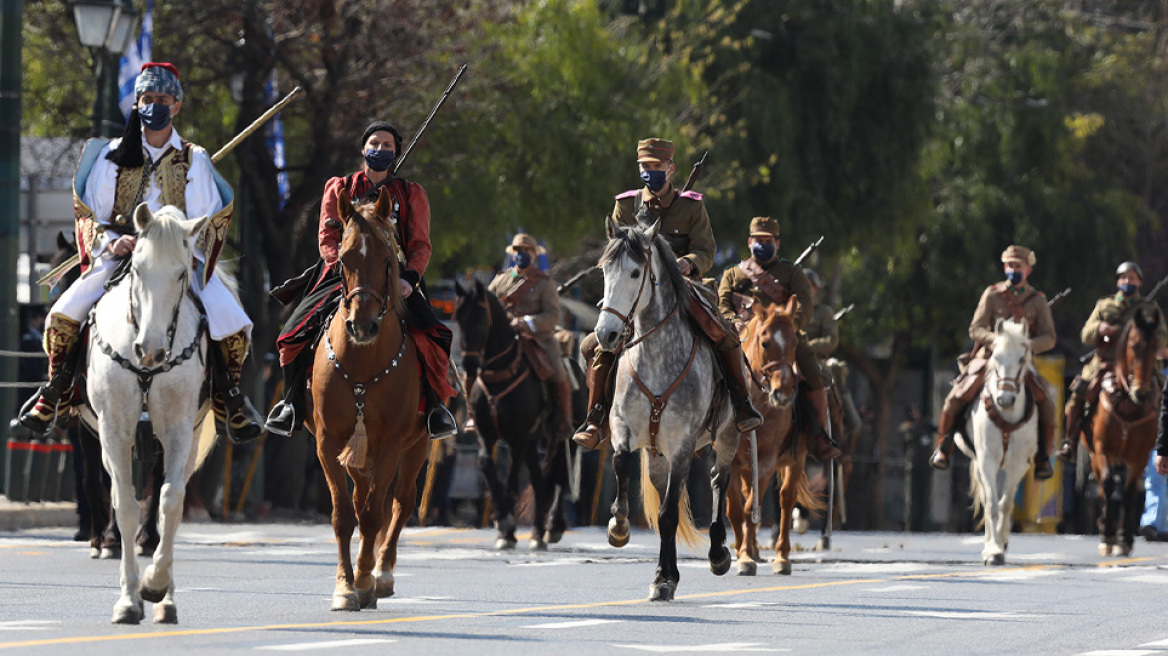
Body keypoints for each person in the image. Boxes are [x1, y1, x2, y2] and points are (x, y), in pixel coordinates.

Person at [12, 62, 263, 443]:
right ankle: (58, 391)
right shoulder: (111, 155)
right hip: (119, 255)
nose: (155, 105)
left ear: (176, 105)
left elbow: (208, 218)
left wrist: (177, 244)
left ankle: (227, 395)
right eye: (148, 99)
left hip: (177, 259)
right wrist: (111, 242)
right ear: (137, 104)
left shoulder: (195, 159)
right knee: (65, 313)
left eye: (163, 99)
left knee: (230, 318)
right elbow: (89, 212)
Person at [265, 121, 457, 440]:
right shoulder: (338, 187)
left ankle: (436, 408)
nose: (379, 150)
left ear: (396, 153)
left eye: (387, 146)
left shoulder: (411, 194)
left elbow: (420, 244)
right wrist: (338, 265)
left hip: (393, 278)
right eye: (374, 143)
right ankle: (292, 403)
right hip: (344, 273)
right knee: (292, 333)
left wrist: (409, 278)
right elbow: (327, 236)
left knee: (435, 335)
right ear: (363, 149)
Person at [571, 138, 763, 449]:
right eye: (645, 167)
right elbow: (616, 251)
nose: (650, 173)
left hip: (682, 286)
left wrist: (687, 263)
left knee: (721, 331)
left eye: (656, 167)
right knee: (598, 344)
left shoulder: (691, 206)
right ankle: (595, 417)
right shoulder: (625, 205)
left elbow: (706, 249)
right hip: (635, 289)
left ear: (670, 168)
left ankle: (741, 403)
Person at [716, 217, 841, 462]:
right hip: (743, 336)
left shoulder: (792, 273)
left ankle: (819, 435)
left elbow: (804, 306)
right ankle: (702, 426)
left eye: (768, 241)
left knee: (811, 369)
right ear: (749, 242)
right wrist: (735, 321)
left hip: (784, 336)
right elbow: (722, 305)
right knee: (709, 363)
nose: (763, 245)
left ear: (777, 243)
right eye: (758, 241)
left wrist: (789, 324)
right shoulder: (733, 274)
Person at [929, 245, 1057, 478]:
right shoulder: (992, 294)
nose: (1013, 270)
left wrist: (1028, 345)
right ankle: (944, 447)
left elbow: (1049, 338)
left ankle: (1043, 457)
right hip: (990, 358)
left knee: (1047, 402)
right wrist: (996, 340)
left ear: (1028, 269)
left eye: (1018, 266)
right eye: (1009, 266)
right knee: (957, 395)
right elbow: (975, 328)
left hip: (1020, 361)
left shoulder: (1038, 301)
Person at [1061, 261, 1168, 462]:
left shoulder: (1149, 308)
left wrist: (1146, 334)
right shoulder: (1104, 305)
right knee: (1078, 394)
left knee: (1164, 395)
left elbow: (1163, 336)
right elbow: (1085, 334)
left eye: (1132, 278)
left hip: (1140, 366)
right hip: (1106, 362)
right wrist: (1100, 329)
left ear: (1140, 282)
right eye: (1123, 278)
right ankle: (1069, 441)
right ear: (1118, 281)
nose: (1127, 281)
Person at [487, 234, 573, 437]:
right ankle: (474, 413)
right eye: (518, 250)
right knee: (473, 363)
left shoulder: (545, 283)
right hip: (503, 339)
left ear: (534, 254)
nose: (522, 254)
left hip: (538, 339)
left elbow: (552, 317)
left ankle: (564, 419)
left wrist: (526, 322)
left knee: (559, 371)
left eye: (526, 250)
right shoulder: (500, 280)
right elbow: (486, 306)